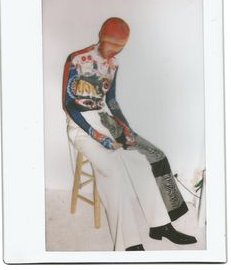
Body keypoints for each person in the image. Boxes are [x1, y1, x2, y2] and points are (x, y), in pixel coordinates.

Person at [62, 17, 197, 251]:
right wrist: (98, 136)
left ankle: (160, 225)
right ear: (101, 37)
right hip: (82, 124)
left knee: (147, 156)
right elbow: (69, 105)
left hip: (106, 119)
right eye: (111, 47)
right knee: (113, 172)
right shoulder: (76, 59)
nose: (113, 53)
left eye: (120, 49)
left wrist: (125, 128)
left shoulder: (113, 65)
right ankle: (129, 245)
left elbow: (111, 101)